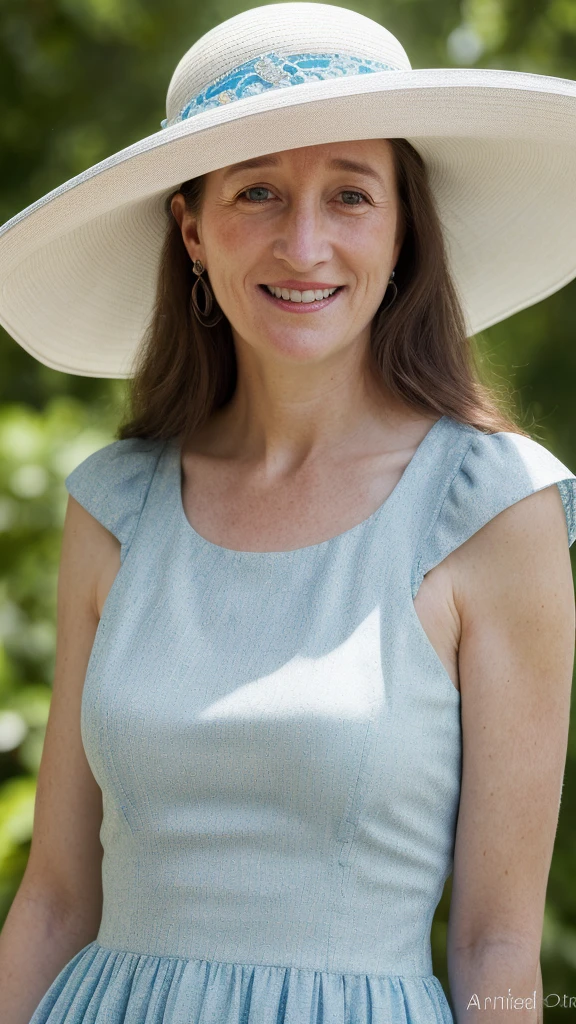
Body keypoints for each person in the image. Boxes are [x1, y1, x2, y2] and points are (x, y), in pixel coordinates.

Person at [0, 3, 576, 1022]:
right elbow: (52, 902)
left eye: (350, 194)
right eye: (257, 191)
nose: (304, 243)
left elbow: (495, 939)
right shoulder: (115, 506)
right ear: (190, 227)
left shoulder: (494, 509)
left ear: (402, 226)